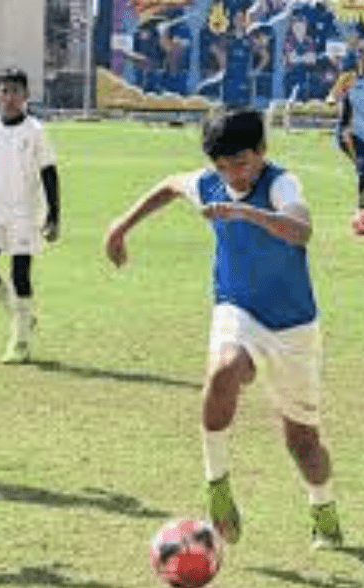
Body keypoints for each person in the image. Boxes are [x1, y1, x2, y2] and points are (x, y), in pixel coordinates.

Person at [104, 109, 343, 549]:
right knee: (224, 368)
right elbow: (170, 186)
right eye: (223, 166)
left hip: (293, 327)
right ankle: (217, 484)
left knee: (303, 442)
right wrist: (121, 225)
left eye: (242, 163)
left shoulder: (281, 183)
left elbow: (301, 229)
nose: (233, 174)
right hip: (237, 307)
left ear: (261, 152)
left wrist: (246, 213)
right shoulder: (208, 184)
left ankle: (323, 509)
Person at [0, 67, 60, 364]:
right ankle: (22, 316)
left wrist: (54, 215)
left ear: (26, 95)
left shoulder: (35, 131)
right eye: (5, 91)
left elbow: (49, 172)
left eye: (16, 91)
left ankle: (20, 343)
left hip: (26, 213)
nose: (9, 97)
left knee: (20, 275)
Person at [335, 58, 364, 234]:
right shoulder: (352, 84)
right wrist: (344, 133)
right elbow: (344, 115)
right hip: (355, 137)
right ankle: (361, 215)